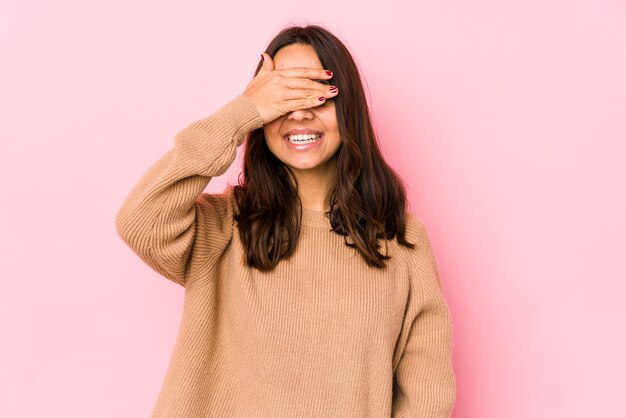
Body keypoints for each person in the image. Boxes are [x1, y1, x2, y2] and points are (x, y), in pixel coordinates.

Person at [115, 24, 456, 418]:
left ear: (348, 109)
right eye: (284, 96)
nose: (300, 112)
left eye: (318, 94)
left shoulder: (402, 240)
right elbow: (140, 220)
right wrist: (241, 113)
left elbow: (426, 394)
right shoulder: (225, 225)